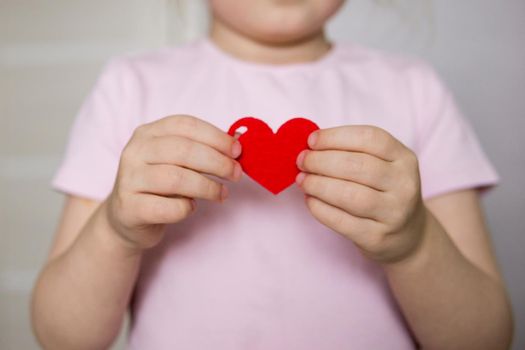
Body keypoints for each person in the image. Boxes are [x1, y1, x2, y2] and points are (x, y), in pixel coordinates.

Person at [31, 0, 513, 349]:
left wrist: (415, 243)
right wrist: (116, 230)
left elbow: (484, 338)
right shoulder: (129, 86)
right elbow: (64, 337)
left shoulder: (414, 89)